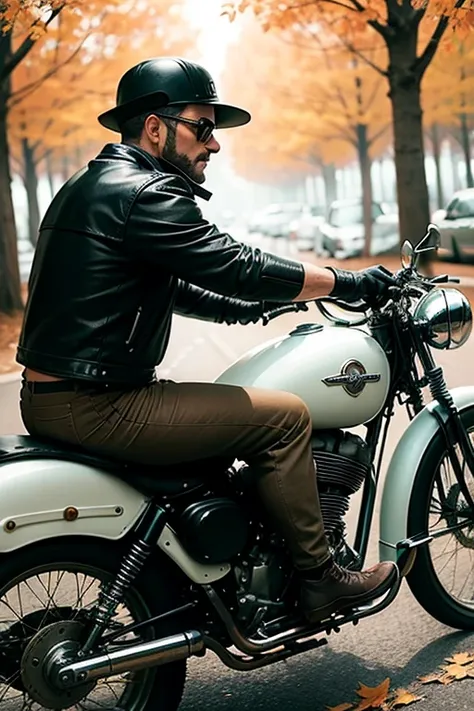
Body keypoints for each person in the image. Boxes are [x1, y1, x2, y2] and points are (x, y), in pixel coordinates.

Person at [17, 57, 397, 624]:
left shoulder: (94, 184)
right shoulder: (145, 192)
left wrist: (267, 304)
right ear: (155, 126)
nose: (214, 144)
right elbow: (232, 264)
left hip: (61, 398)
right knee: (285, 417)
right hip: (98, 403)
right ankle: (322, 580)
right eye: (202, 126)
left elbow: (184, 290)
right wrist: (345, 280)